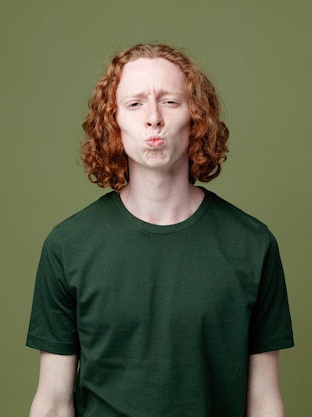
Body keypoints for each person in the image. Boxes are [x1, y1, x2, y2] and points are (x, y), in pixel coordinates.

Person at [26, 43, 294, 417]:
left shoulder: (251, 244)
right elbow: (54, 402)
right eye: (135, 103)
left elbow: (264, 400)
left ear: (196, 117)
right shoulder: (68, 245)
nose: (153, 118)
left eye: (169, 101)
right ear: (113, 121)